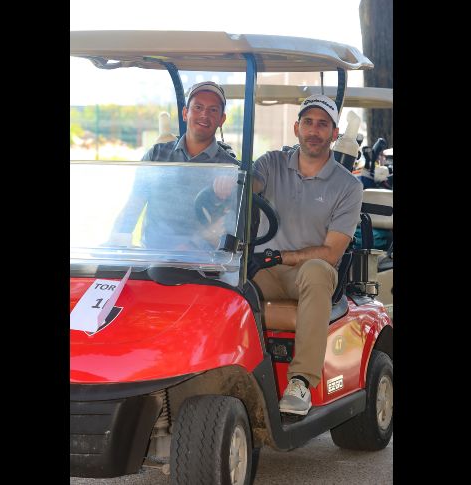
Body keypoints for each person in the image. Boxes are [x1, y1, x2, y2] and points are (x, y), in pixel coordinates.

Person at [248, 94, 363, 415]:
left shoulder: (347, 186)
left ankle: (300, 381)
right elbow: (248, 188)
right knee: (228, 275)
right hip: (265, 270)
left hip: (308, 274)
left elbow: (331, 252)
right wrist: (226, 188)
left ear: (334, 132)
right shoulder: (270, 164)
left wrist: (280, 256)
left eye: (322, 125)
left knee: (316, 270)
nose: (314, 131)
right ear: (296, 127)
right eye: (308, 123)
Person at [110, 81, 238, 248]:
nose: (204, 115)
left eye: (213, 110)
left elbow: (226, 228)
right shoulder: (156, 155)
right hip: (153, 257)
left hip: (202, 263)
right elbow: (133, 206)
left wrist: (191, 246)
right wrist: (114, 243)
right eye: (198, 107)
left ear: (222, 119)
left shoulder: (229, 167)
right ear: (185, 113)